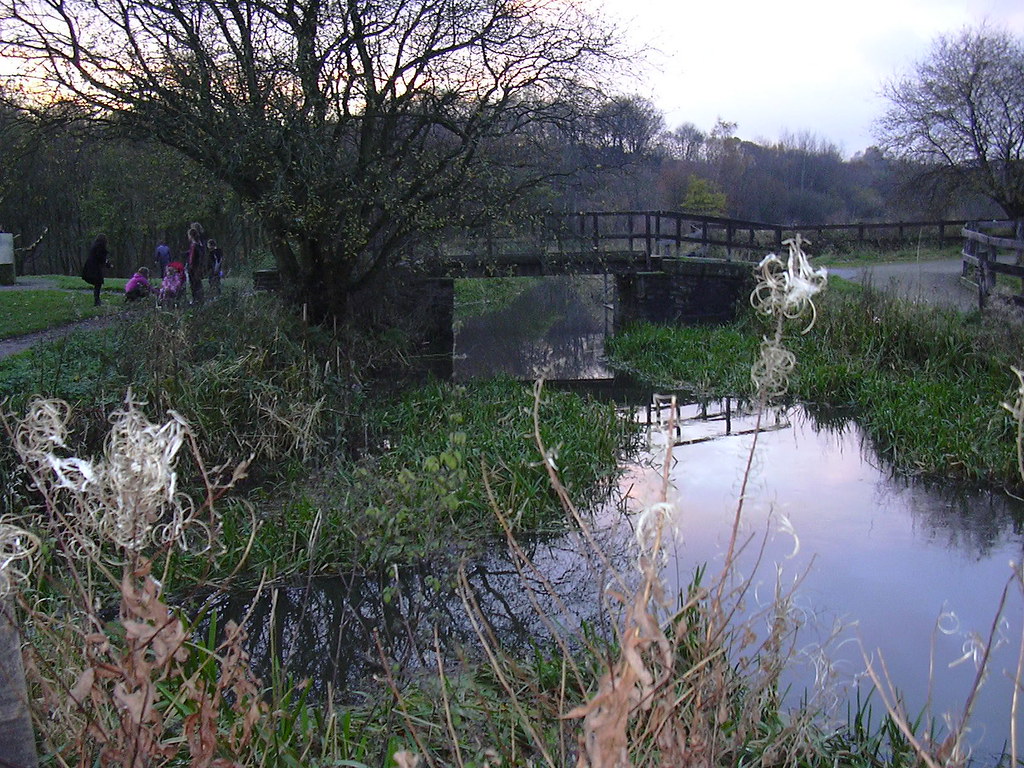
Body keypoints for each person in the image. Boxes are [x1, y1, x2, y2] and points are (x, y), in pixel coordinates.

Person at [81, 233, 111, 306]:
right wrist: (107, 263)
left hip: (91, 266)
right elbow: (100, 257)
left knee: (98, 283)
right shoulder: (100, 246)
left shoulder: (95, 245)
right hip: (94, 267)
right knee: (98, 283)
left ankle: (97, 300)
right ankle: (97, 301)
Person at [185, 225, 206, 305]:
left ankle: (196, 300)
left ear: (191, 236)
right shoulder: (199, 245)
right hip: (197, 267)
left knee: (194, 284)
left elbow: (192, 258)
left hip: (193, 268)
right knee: (198, 283)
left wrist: (190, 266)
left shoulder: (194, 245)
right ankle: (200, 299)